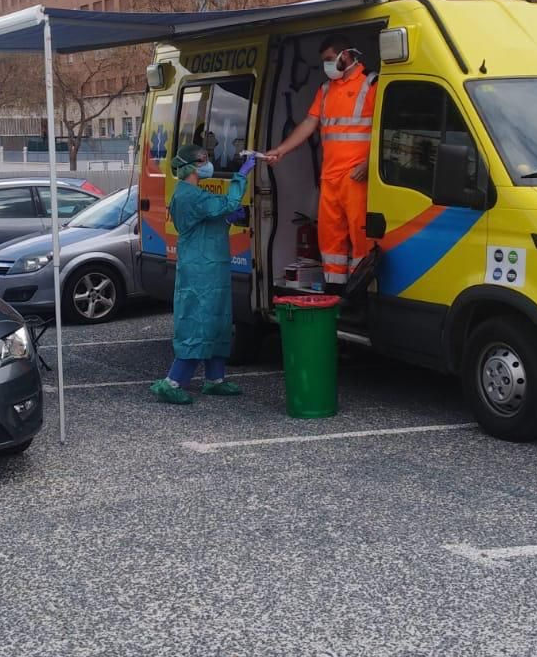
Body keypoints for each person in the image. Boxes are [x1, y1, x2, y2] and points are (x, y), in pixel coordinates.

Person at [263, 34, 375, 293]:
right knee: (330, 239)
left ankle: (363, 294)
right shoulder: (326, 90)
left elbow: (383, 129)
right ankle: (335, 294)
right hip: (331, 177)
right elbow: (308, 124)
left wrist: (369, 163)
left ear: (345, 55)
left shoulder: (370, 84)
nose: (326, 65)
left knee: (361, 239)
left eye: (328, 59)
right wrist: (281, 150)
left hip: (357, 176)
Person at [151, 142, 258, 405]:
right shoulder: (189, 194)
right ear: (191, 166)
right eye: (203, 159)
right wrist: (241, 175)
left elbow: (212, 215)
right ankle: (172, 382)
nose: (208, 162)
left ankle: (215, 379)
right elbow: (226, 202)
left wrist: (226, 218)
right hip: (200, 269)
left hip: (212, 265)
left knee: (219, 321)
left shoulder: (193, 193)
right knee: (198, 322)